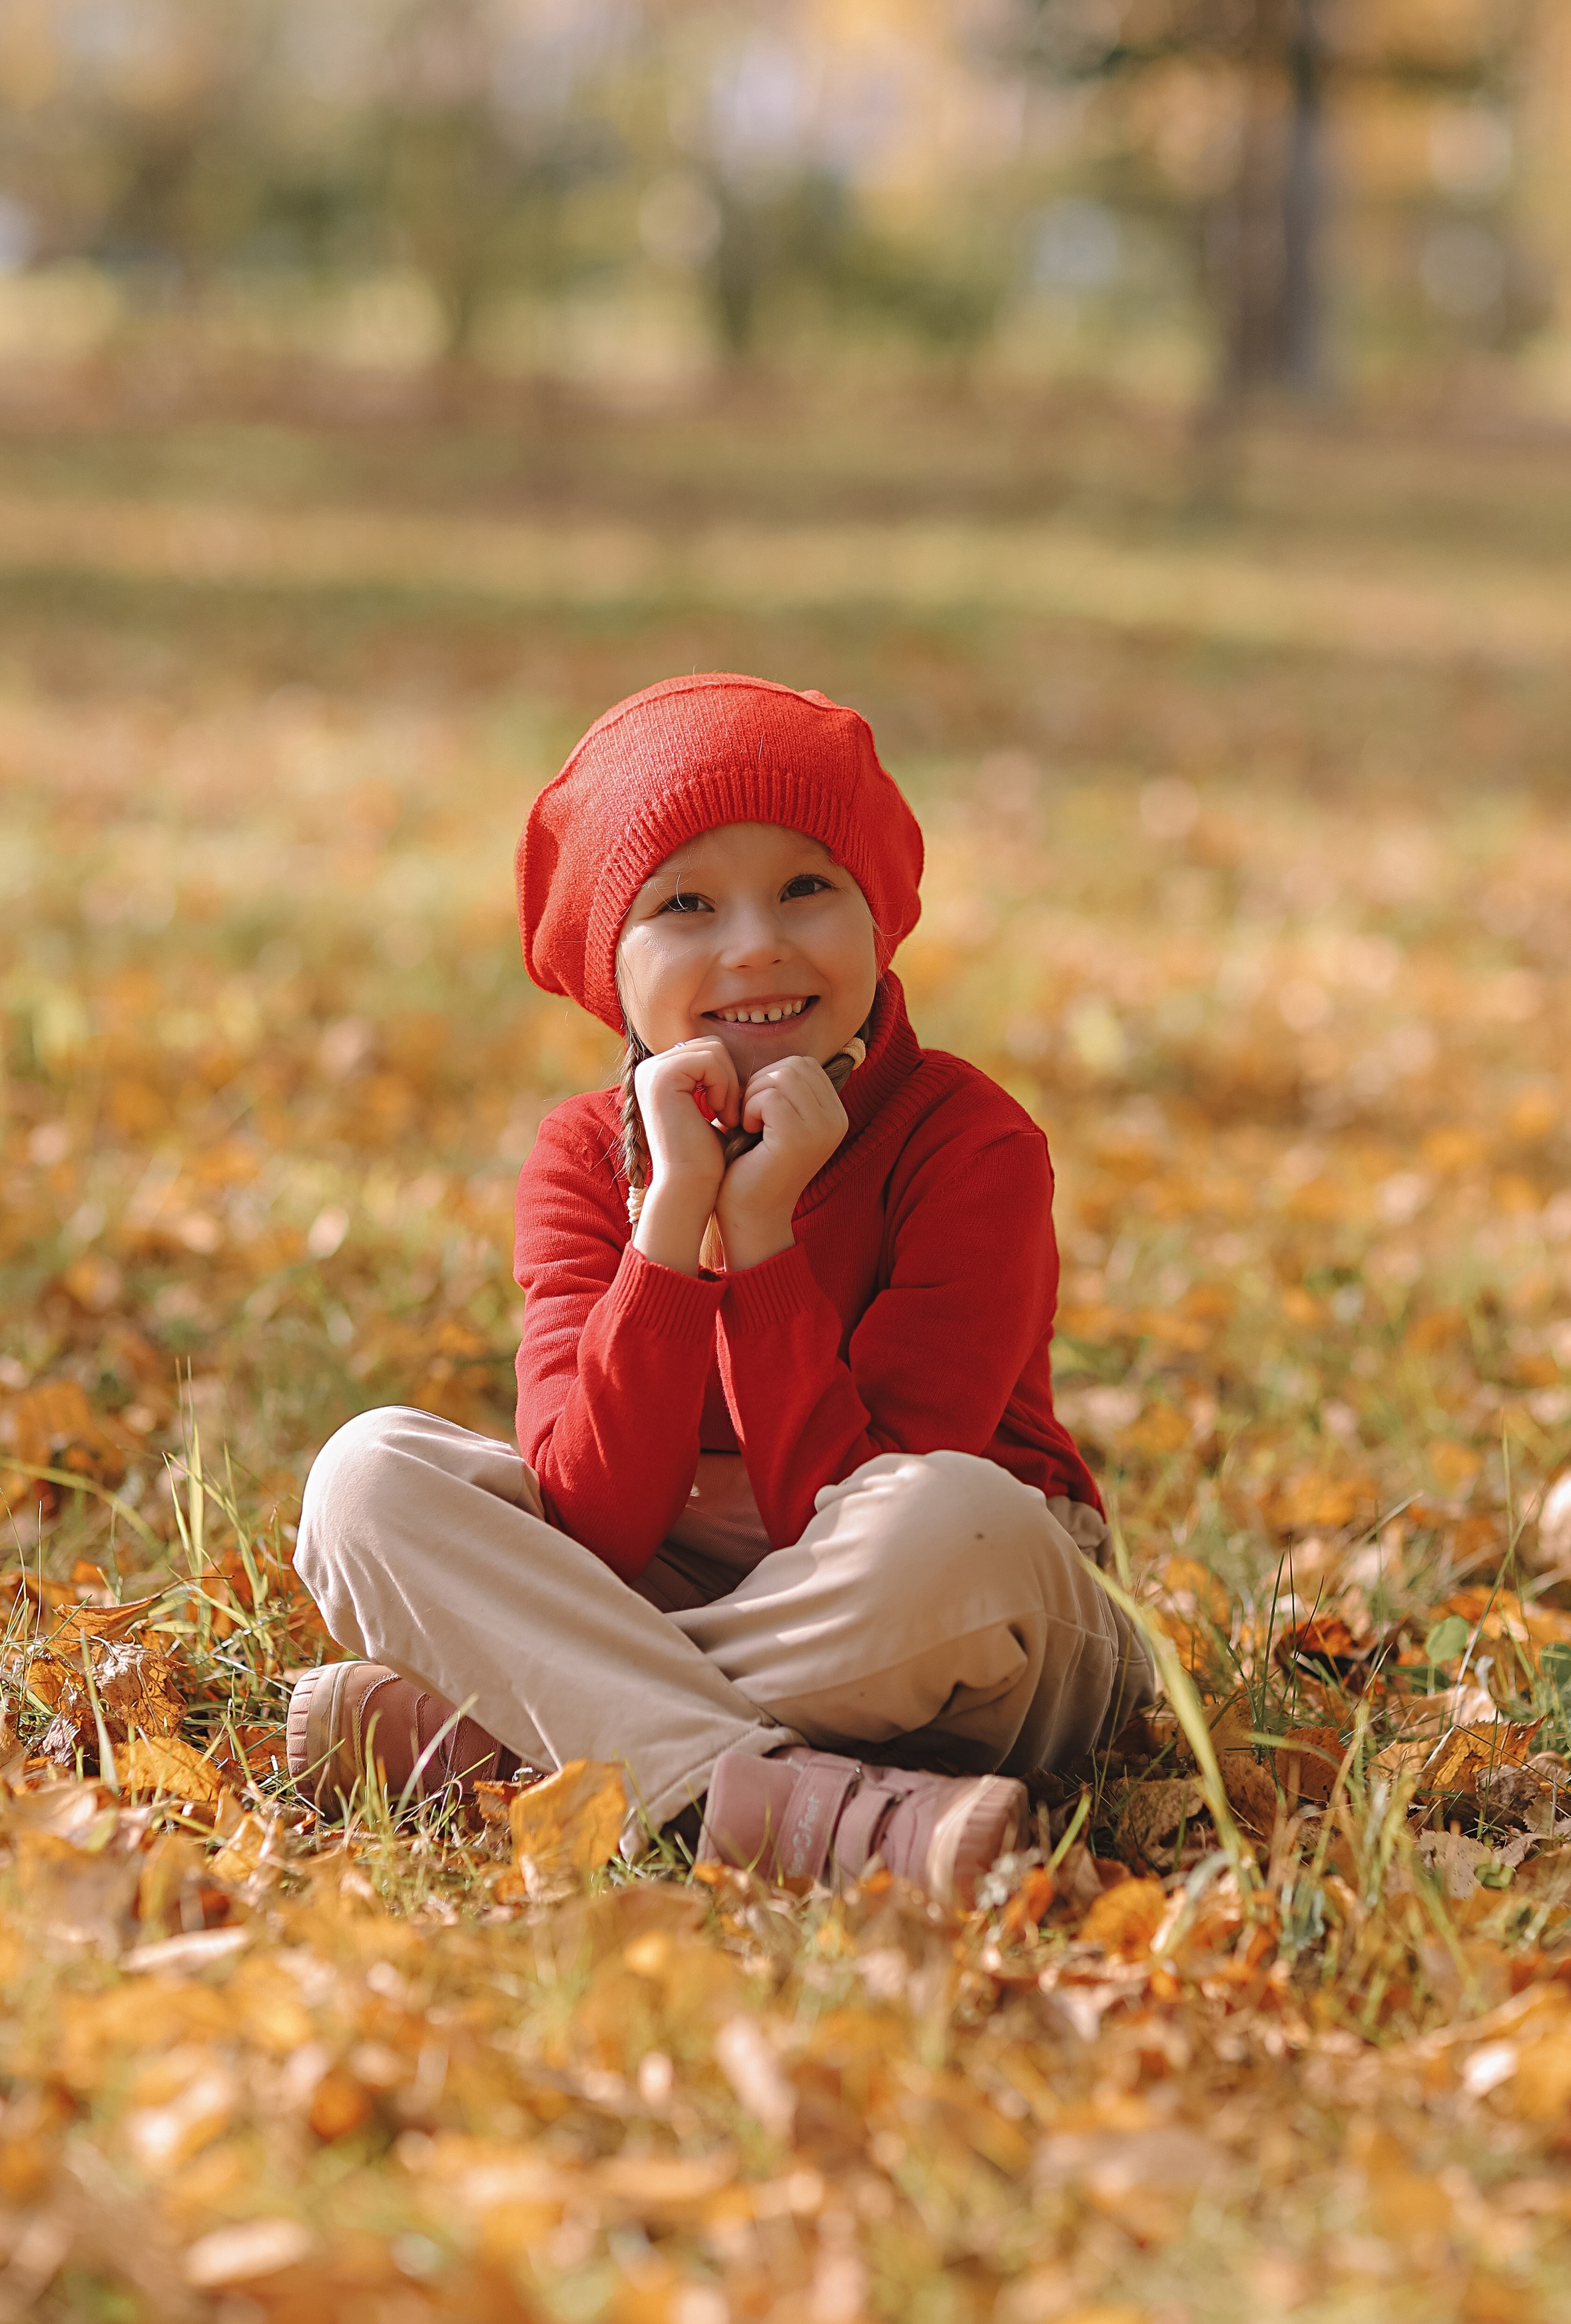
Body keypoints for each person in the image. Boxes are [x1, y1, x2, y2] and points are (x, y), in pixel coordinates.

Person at [286, 674, 1150, 1902]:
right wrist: (666, 1229)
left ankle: (532, 1734)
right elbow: (593, 1516)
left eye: (808, 886)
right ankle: (766, 1800)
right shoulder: (583, 1159)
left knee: (950, 1522)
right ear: (615, 967)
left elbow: (857, 1502)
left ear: (877, 916)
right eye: (686, 904)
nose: (755, 943)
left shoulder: (969, 1141)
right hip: (675, 1566)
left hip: (963, 1611)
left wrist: (760, 1238)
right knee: (367, 1478)